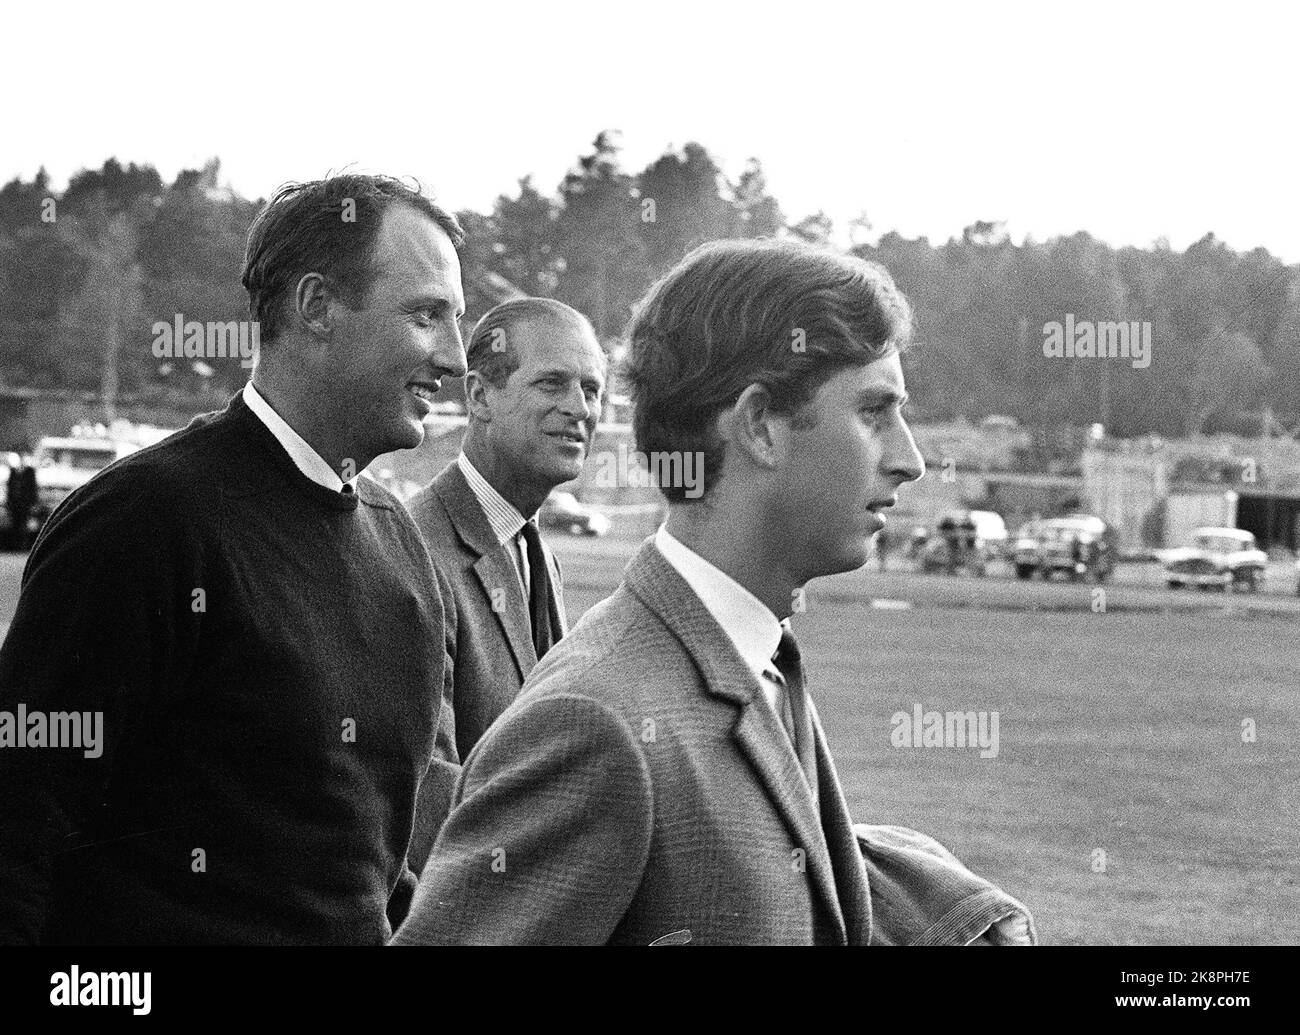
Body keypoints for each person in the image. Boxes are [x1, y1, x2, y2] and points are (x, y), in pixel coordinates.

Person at [392, 237, 925, 945]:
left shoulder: (766, 659)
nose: (910, 458)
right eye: (874, 411)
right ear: (760, 425)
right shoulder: (597, 722)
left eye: (589, 388)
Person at [0, 173, 467, 944]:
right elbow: (19, 829)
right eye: (425, 316)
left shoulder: (401, 547)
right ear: (316, 306)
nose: (452, 357)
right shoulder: (145, 521)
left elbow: (368, 866)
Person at [404, 297, 606, 866]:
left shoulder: (535, 550)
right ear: (479, 396)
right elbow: (426, 804)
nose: (578, 409)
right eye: (552, 384)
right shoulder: (415, 552)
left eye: (590, 390)